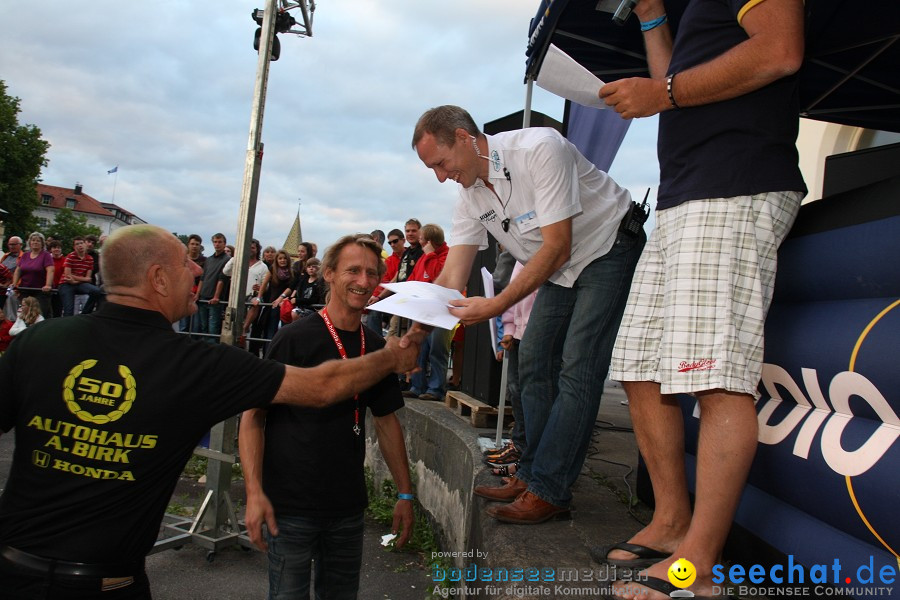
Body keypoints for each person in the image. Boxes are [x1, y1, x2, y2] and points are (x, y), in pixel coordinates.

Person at [0, 224, 420, 600]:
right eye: (187, 264)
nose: (201, 272)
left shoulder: (37, 342)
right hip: (110, 583)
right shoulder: (196, 364)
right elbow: (320, 388)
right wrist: (392, 358)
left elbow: (352, 403)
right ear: (159, 279)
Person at [596, 1, 807, 597]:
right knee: (639, 368)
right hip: (684, 196)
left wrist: (663, 94)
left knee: (714, 376)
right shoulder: (695, 8)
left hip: (734, 185)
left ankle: (700, 563)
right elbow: (671, 81)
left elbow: (780, 50)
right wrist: (651, 15)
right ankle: (670, 522)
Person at [406, 105, 645, 524]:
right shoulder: (469, 195)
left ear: (465, 137)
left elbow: (557, 246)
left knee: (578, 366)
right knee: (531, 360)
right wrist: (414, 326)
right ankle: (532, 473)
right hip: (558, 265)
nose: (441, 177)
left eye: (441, 164)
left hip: (607, 246)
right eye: (432, 170)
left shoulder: (539, 148)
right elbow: (453, 275)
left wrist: (497, 305)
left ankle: (551, 490)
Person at [240, 233, 414, 600]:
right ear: (330, 275)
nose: (364, 281)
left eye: (371, 273)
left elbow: (386, 421)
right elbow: (253, 416)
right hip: (289, 508)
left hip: (347, 508)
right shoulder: (294, 337)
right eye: (353, 270)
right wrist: (254, 493)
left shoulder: (375, 346)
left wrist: (405, 493)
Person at [401, 223, 451, 401]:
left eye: (421, 239)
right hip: (421, 309)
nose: (419, 242)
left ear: (429, 241)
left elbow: (438, 276)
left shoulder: (446, 256)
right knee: (419, 349)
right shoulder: (423, 257)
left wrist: (430, 254)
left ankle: (436, 389)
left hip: (441, 310)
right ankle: (417, 386)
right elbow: (414, 278)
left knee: (437, 350)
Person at [11, 232, 54, 319]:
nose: (35, 242)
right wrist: (14, 284)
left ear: (42, 243)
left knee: (39, 314)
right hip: (25, 289)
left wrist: (48, 285)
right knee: (23, 314)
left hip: (40, 290)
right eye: (33, 240)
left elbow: (50, 270)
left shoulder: (46, 255)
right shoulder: (25, 255)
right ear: (29, 243)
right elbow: (18, 270)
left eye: (38, 241)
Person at [58, 235, 104, 316]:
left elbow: (88, 278)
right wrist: (82, 279)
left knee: (96, 291)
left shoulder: (90, 258)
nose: (80, 245)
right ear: (74, 247)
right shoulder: (70, 256)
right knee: (69, 310)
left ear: (84, 244)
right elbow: (67, 275)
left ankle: (85, 314)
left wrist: (75, 280)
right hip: (66, 283)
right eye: (77, 244)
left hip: (79, 283)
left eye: (81, 243)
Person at [195, 233, 229, 341]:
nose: (217, 244)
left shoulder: (227, 259)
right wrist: (197, 294)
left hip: (214, 300)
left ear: (224, 244)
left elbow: (222, 279)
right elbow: (202, 278)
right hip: (203, 297)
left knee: (213, 329)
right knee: (204, 327)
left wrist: (216, 296)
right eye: (215, 242)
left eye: (220, 242)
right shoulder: (208, 260)